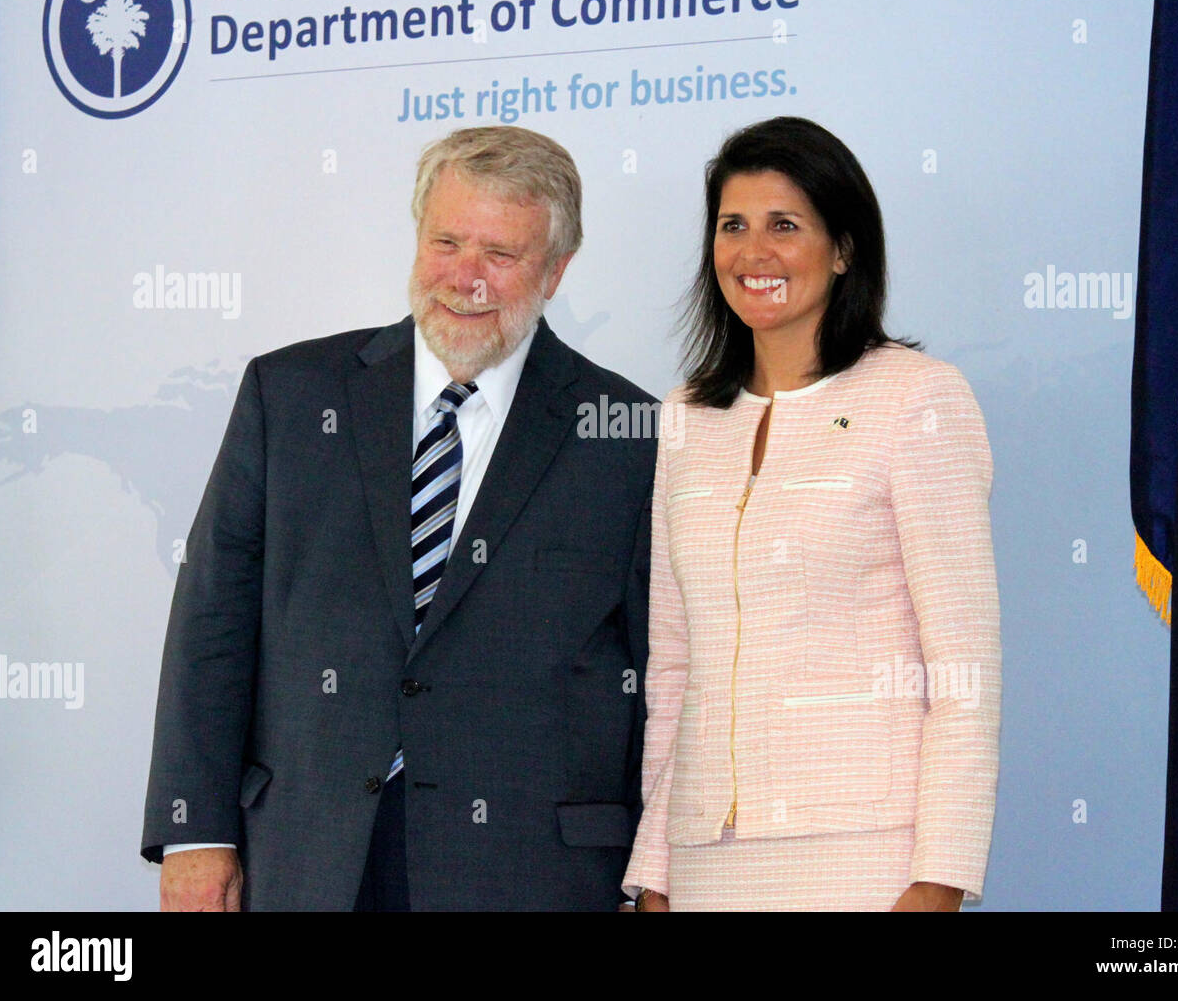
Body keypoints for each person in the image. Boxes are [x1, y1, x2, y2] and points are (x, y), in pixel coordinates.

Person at [141, 125, 656, 911]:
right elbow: (214, 621)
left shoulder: (628, 432)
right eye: (446, 241)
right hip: (311, 854)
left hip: (535, 874)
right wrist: (194, 833)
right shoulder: (290, 395)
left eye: (501, 255)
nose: (466, 278)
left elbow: (663, 672)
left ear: (556, 271)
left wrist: (651, 875)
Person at [623, 116, 1000, 911]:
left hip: (866, 858)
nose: (753, 253)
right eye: (733, 226)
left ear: (843, 249)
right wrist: (652, 871)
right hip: (703, 863)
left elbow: (963, 667)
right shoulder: (688, 417)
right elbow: (674, 666)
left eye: (784, 226)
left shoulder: (917, 398)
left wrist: (940, 880)